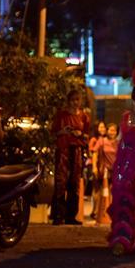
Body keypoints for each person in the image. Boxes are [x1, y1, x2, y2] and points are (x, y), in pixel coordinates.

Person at [51, 89, 90, 225]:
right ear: (68, 101)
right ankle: (57, 215)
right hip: (63, 150)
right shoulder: (61, 115)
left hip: (77, 151)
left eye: (77, 100)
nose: (75, 102)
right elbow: (53, 133)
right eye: (73, 100)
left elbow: (87, 136)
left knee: (74, 183)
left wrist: (80, 134)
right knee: (60, 182)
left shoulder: (84, 116)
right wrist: (63, 131)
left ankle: (71, 216)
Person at [92, 123, 118, 223]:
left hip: (115, 170)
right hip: (104, 170)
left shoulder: (118, 143)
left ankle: (110, 213)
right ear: (107, 131)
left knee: (113, 193)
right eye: (110, 130)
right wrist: (94, 167)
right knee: (101, 192)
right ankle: (98, 213)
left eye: (114, 130)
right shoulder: (102, 141)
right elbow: (95, 153)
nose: (112, 132)